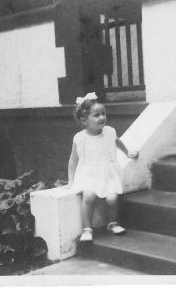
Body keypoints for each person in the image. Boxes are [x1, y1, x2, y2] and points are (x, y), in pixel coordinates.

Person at [66, 92, 138, 242]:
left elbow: (117, 142)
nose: (102, 117)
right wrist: (70, 180)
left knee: (112, 198)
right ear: (84, 120)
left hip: (108, 173)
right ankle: (87, 228)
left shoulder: (109, 132)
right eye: (96, 115)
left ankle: (112, 223)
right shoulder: (80, 138)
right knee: (89, 196)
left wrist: (128, 152)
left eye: (103, 113)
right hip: (89, 175)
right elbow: (73, 160)